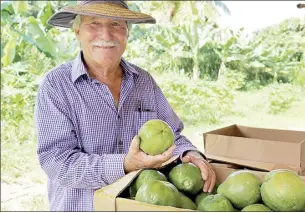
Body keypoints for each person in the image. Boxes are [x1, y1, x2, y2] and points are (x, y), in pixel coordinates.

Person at [34, 0, 216, 211]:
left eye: (116, 24)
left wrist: (190, 154)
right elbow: (58, 163)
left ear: (126, 33)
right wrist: (125, 164)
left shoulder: (143, 81)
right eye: (94, 23)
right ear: (77, 32)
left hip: (142, 205)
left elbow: (173, 135)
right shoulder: (56, 85)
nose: (106, 35)